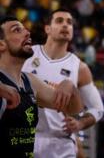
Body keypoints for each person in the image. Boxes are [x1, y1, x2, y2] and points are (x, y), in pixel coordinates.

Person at [22, 9, 104, 158]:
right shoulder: (26, 55)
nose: (66, 25)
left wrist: (80, 124)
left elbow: (97, 109)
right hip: (24, 137)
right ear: (47, 28)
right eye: (59, 21)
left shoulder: (80, 68)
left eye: (69, 22)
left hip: (61, 143)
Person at [0, 16, 83, 157]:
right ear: (1, 45)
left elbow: (73, 108)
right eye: (17, 30)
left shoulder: (30, 81)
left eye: (25, 29)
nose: (27, 33)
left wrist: (70, 86)